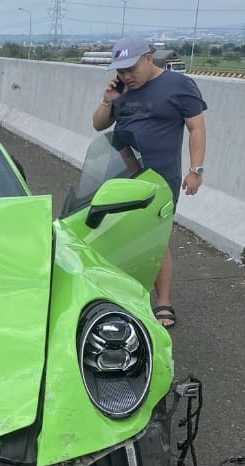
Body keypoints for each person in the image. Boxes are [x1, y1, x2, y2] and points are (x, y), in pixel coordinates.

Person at [92, 37, 207, 329]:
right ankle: (121, 294)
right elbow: (98, 124)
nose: (126, 76)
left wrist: (196, 170)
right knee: (118, 234)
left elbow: (196, 128)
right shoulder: (122, 91)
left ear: (148, 58)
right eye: (120, 71)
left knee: (156, 238)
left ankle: (163, 302)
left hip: (160, 179)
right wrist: (108, 100)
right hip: (123, 173)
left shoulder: (179, 85)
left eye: (130, 69)